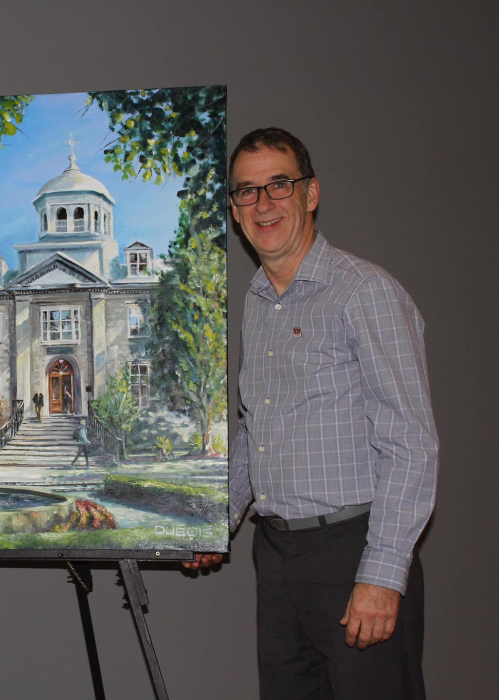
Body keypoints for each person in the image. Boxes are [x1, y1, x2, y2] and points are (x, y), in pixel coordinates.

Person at [186, 127, 438, 699]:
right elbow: (253, 427)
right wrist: (215, 520)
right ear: (234, 210)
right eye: (247, 191)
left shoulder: (364, 292)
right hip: (276, 556)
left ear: (311, 193)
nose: (263, 204)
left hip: (353, 552)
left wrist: (382, 573)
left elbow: (412, 443)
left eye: (279, 184)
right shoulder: (257, 302)